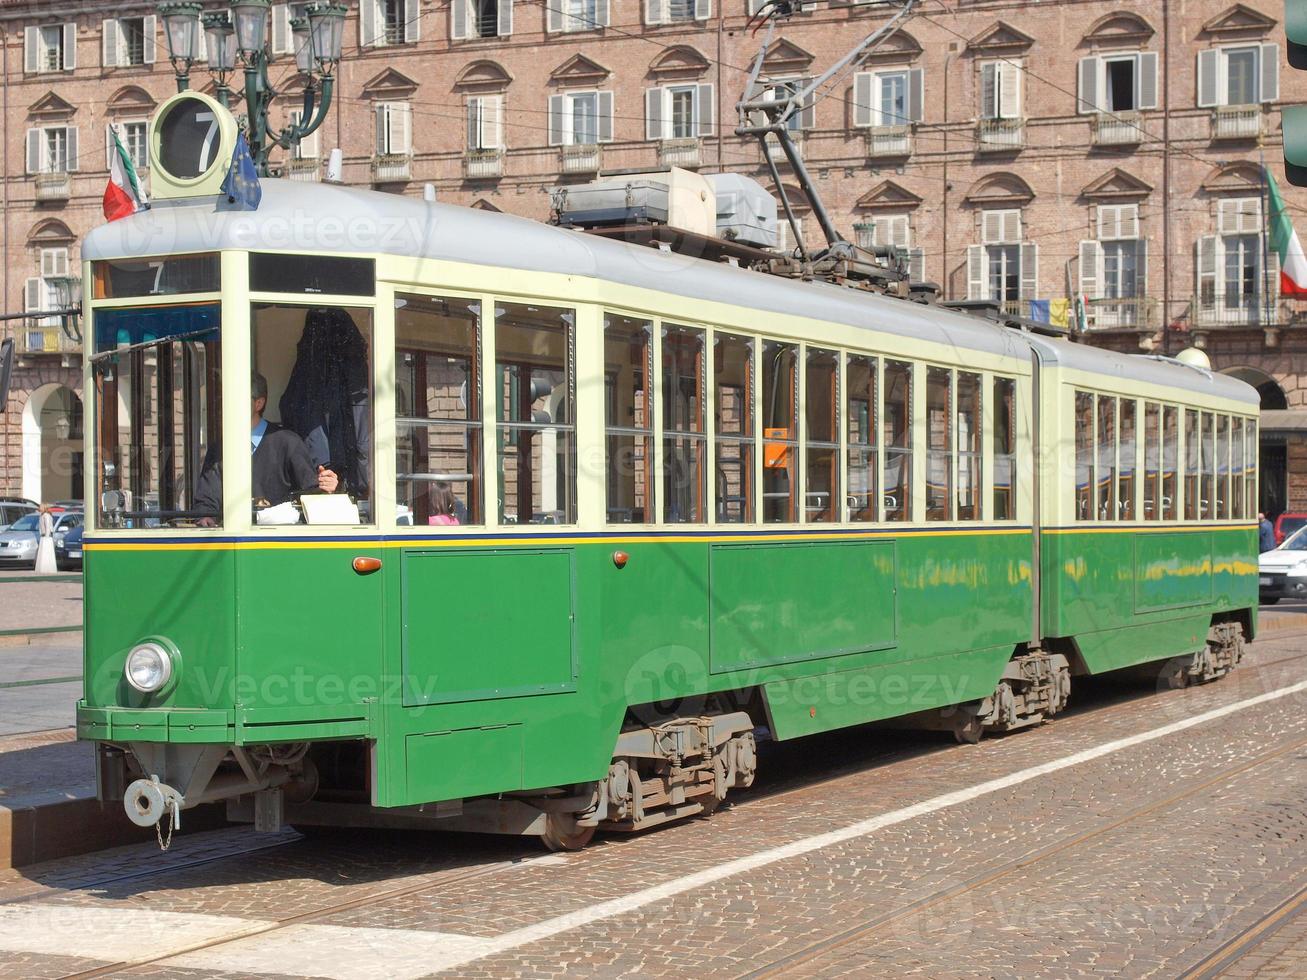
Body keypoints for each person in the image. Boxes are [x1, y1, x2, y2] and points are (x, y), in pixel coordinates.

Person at [194, 373, 339, 519]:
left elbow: (311, 493)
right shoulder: (219, 448)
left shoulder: (289, 442)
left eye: (237, 397)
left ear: (259, 403)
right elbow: (206, 501)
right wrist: (206, 518)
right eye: (226, 398)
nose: (229, 404)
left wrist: (327, 486)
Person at [34, 506, 56, 574]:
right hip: (43, 535)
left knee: (46, 552)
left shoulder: (46, 515)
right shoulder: (42, 515)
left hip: (47, 535)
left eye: (40, 507)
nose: (39, 509)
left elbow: (47, 526)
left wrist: (47, 536)